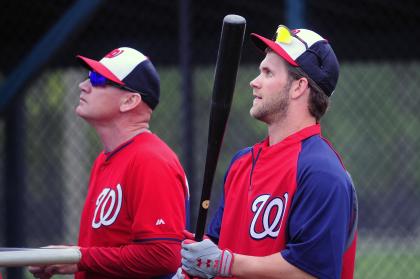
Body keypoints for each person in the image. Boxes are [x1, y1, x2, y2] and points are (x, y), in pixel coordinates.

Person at [177, 25, 358, 279]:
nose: (254, 81)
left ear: (298, 87)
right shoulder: (242, 162)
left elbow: (312, 272)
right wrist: (192, 260)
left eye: (268, 73)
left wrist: (225, 263)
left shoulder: (321, 172)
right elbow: (217, 246)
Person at [29, 47, 189, 278]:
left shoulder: (151, 159)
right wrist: (70, 258)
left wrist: (80, 258)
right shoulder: (104, 159)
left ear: (130, 101)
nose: (83, 85)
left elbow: (163, 255)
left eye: (97, 78)